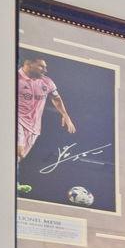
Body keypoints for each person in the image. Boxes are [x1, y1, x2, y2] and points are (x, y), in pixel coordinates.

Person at [16, 56, 75, 194]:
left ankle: (12, 181)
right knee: (18, 151)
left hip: (34, 126)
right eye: (41, 66)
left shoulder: (47, 82)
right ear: (28, 64)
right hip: (17, 120)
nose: (45, 70)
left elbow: (56, 98)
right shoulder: (15, 78)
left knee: (20, 156)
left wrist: (65, 115)